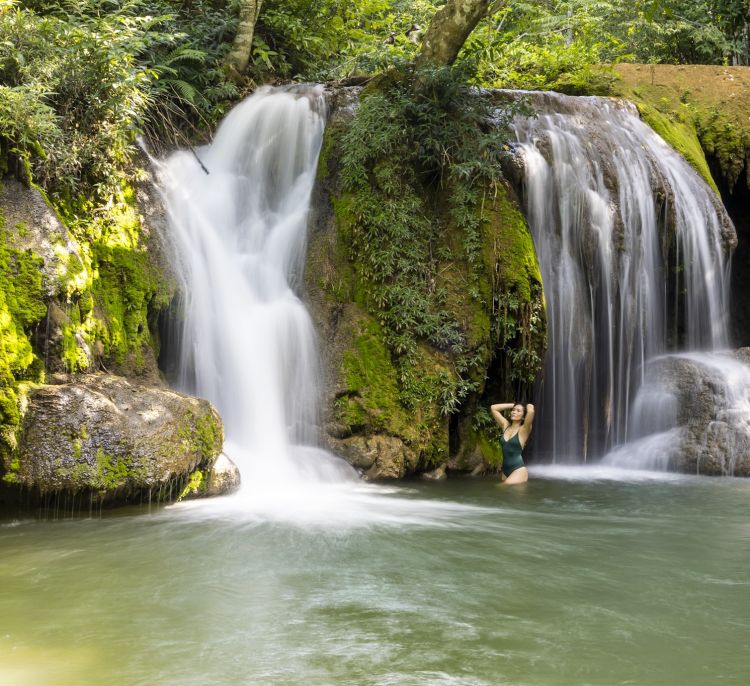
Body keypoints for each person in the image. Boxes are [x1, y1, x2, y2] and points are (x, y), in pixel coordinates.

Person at [490, 402, 535, 484]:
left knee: (500, 488)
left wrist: (528, 405)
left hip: (518, 470)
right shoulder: (505, 426)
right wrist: (513, 405)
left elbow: (531, 411)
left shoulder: (524, 430)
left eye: (518, 411)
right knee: (505, 495)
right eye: (513, 410)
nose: (514, 412)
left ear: (523, 417)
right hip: (505, 470)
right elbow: (493, 408)